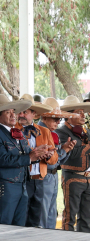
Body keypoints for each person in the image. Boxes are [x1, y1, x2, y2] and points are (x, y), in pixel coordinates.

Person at [0, 95, 50, 226]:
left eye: (13, 112)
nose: (13, 115)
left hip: (22, 184)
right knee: (5, 224)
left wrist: (37, 154)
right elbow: (1, 160)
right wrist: (30, 157)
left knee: (19, 227)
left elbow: (26, 156)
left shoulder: (18, 132)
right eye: (8, 112)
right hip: (7, 185)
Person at [16, 95, 58, 228]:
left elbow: (54, 159)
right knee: (22, 216)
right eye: (20, 112)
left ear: (34, 114)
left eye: (25, 112)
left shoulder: (45, 131)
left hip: (40, 179)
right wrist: (32, 154)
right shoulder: (13, 130)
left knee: (37, 218)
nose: (21, 115)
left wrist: (48, 155)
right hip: (21, 179)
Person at [35, 97, 76, 229]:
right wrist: (63, 151)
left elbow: (57, 162)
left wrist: (65, 150)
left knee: (51, 212)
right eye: (55, 119)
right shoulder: (39, 132)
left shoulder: (53, 134)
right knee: (43, 213)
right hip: (44, 176)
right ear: (44, 118)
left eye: (59, 119)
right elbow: (51, 162)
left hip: (51, 177)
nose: (58, 122)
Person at [54, 103, 90, 232]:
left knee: (87, 217)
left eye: (83, 112)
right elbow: (70, 153)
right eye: (78, 112)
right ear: (69, 115)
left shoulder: (85, 130)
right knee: (70, 216)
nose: (82, 115)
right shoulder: (61, 132)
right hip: (72, 177)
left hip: (88, 178)